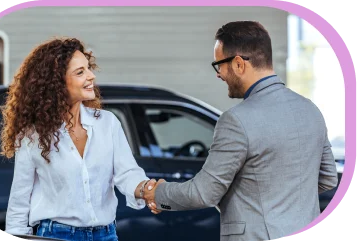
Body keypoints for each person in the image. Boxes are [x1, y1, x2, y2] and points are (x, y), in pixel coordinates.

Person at [143, 20, 338, 241]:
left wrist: (156, 193)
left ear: (238, 64)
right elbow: (328, 179)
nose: (218, 74)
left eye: (219, 65)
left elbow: (203, 193)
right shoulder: (310, 109)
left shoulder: (236, 120)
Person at [0, 37, 158, 241]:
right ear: (57, 83)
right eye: (80, 72)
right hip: (55, 236)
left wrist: (146, 189)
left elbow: (127, 173)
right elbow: (19, 203)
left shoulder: (107, 123)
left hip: (106, 235)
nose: (91, 76)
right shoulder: (33, 136)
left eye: (88, 68)